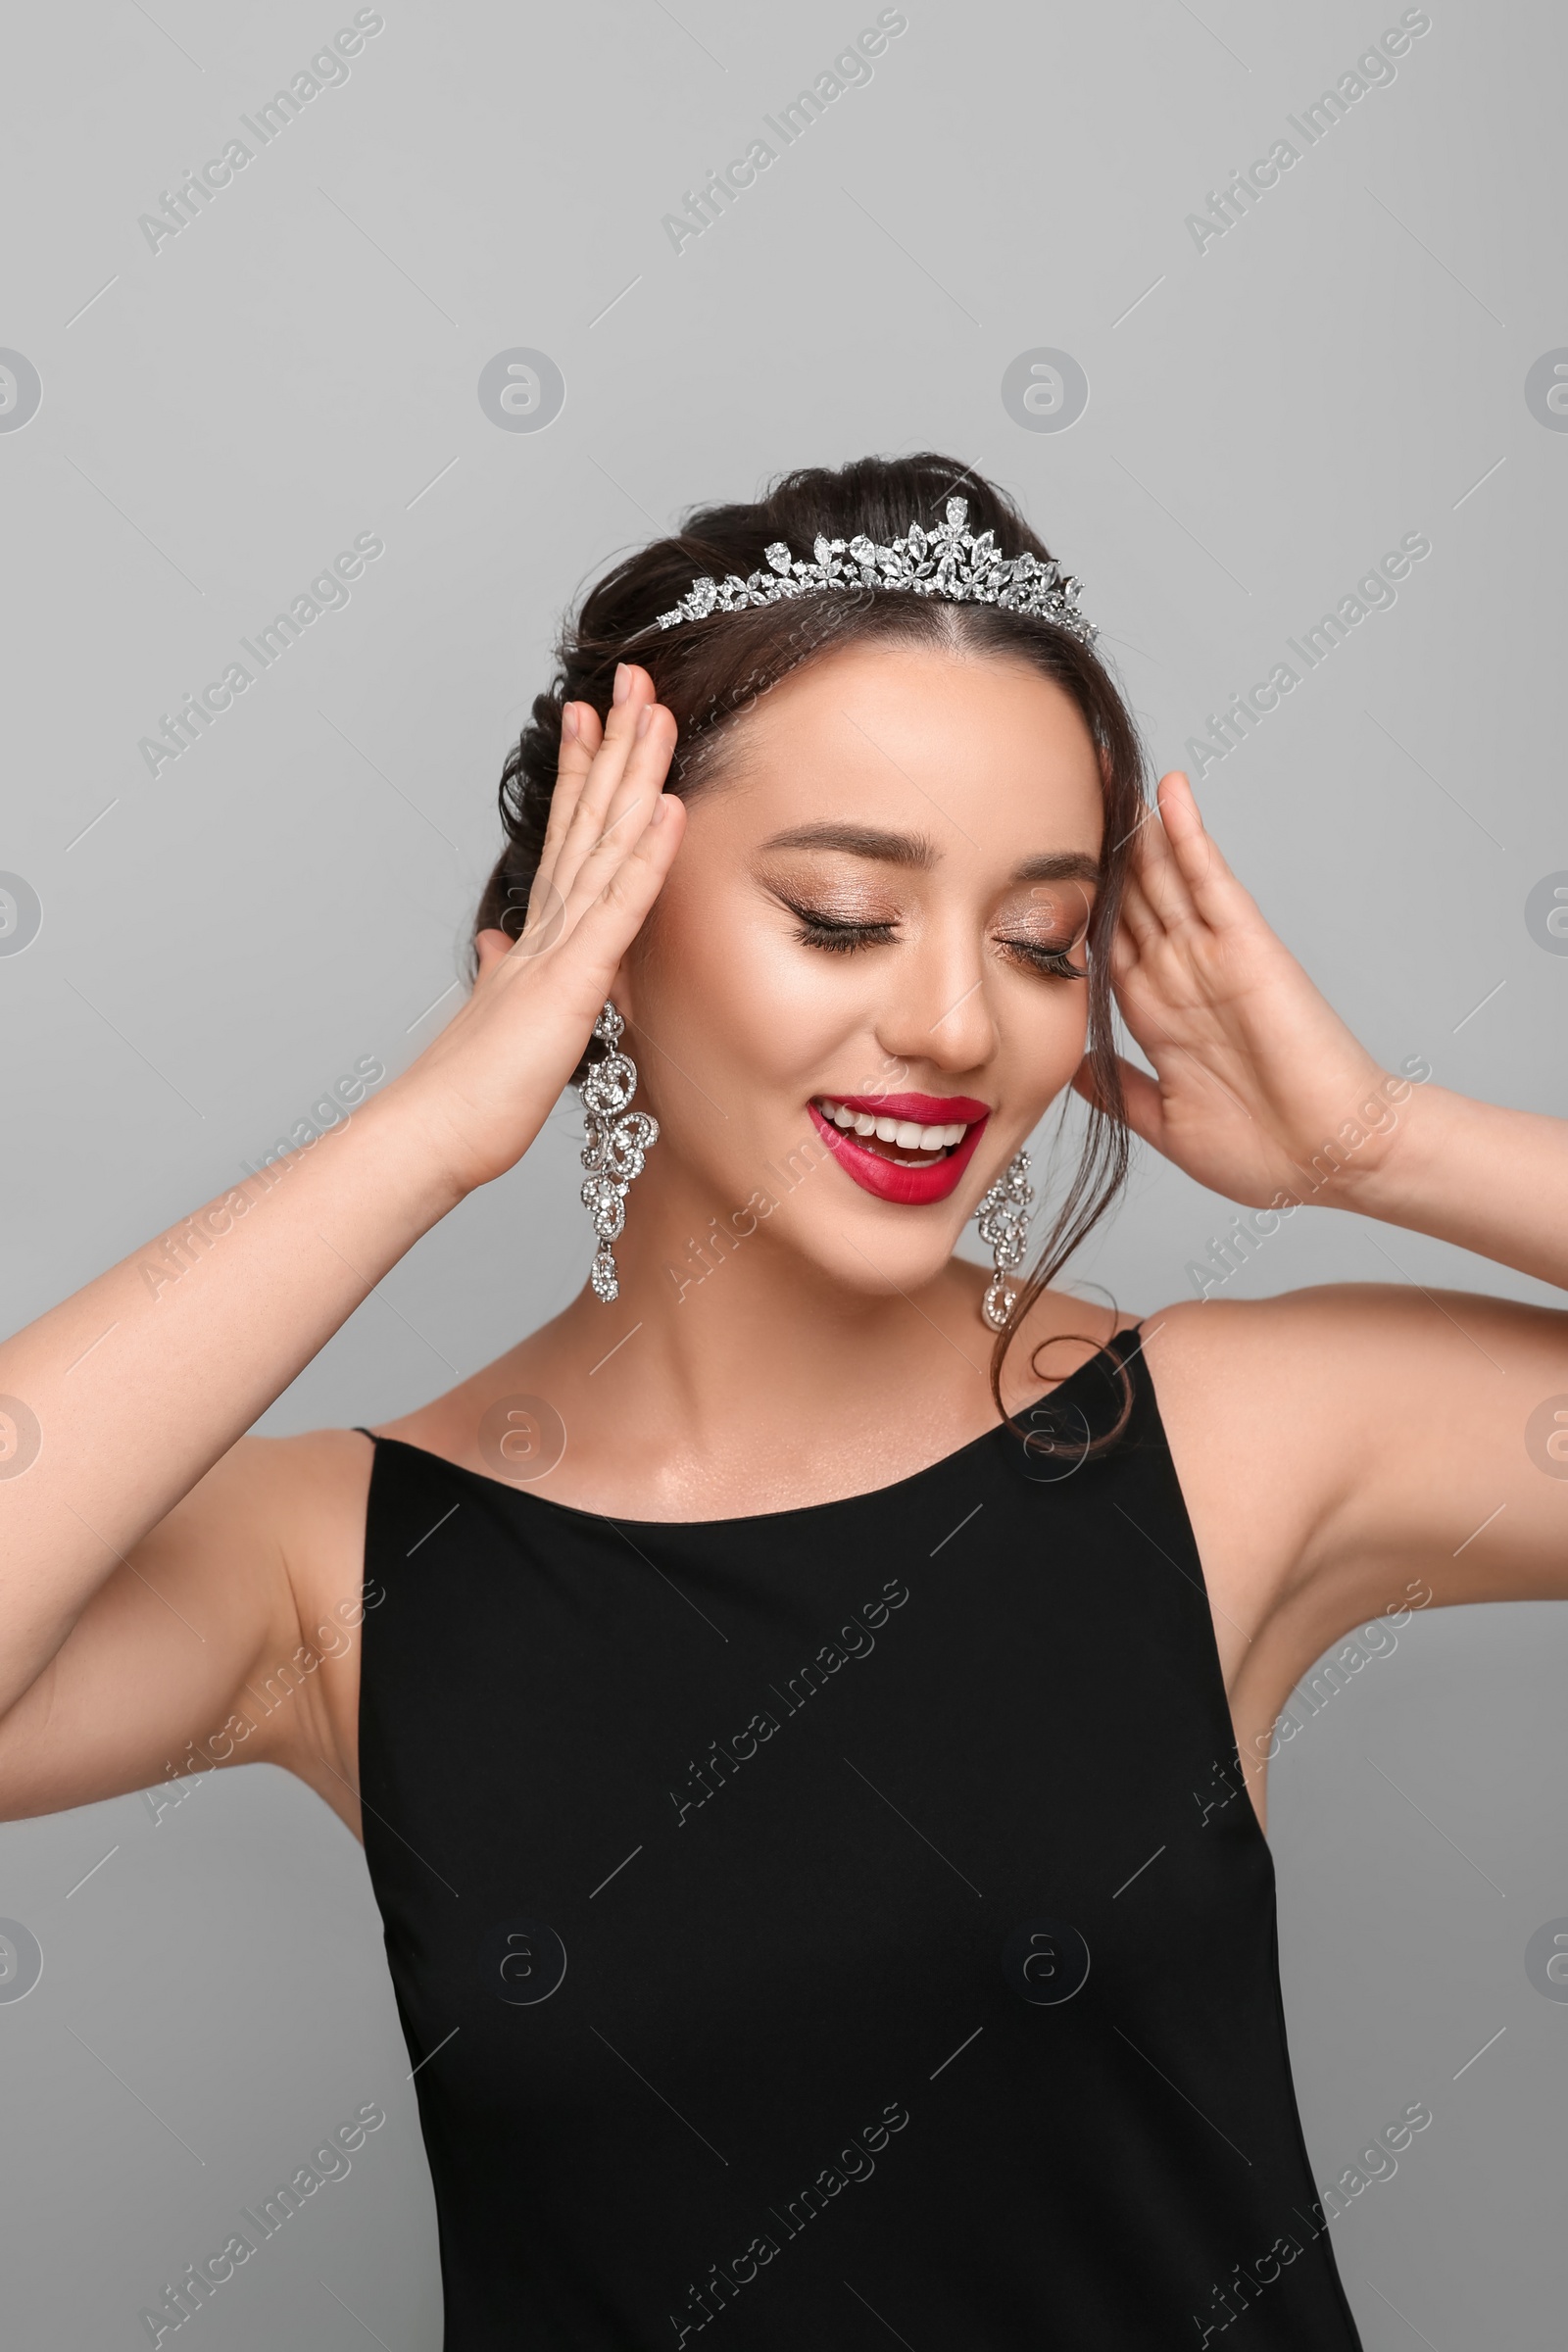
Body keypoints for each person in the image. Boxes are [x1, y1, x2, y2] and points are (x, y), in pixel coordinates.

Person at [2, 452, 1563, 2349]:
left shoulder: (1222, 1447)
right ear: (610, 935)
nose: (955, 1028)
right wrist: (428, 1132)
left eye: (1037, 940)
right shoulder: (339, 1566)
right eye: (841, 915)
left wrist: (1376, 1143)